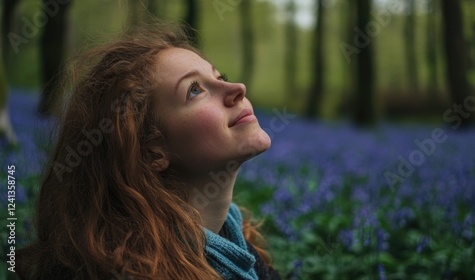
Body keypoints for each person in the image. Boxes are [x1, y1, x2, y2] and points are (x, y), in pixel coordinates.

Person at [17, 22, 280, 280]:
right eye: (195, 90)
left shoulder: (241, 249)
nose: (238, 89)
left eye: (220, 77)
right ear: (151, 153)